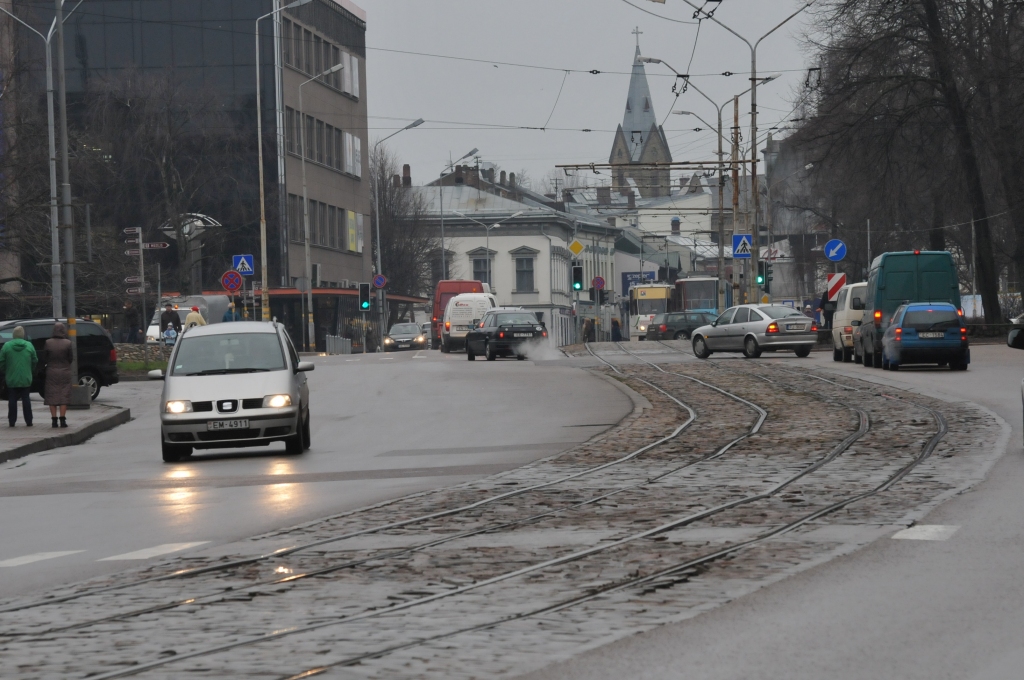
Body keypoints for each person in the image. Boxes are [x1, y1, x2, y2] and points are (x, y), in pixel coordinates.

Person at [0, 326, 37, 427]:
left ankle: (12, 421)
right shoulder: (29, 345)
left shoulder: (7, 346)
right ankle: (29, 420)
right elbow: (35, 360)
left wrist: (5, 370)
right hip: (26, 377)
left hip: (11, 377)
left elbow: (1, 361)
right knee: (26, 398)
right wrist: (30, 370)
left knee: (12, 399)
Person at [43, 322, 73, 428]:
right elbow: (71, 358)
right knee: (63, 395)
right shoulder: (68, 343)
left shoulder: (48, 342)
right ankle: (63, 420)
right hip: (65, 372)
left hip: (51, 371)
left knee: (52, 395)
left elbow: (45, 357)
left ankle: (54, 420)